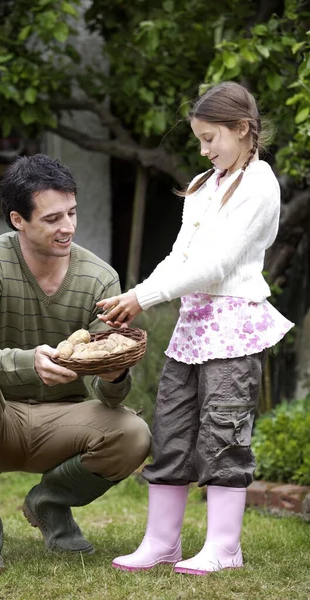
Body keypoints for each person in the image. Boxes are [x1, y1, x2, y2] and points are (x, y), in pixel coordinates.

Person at [97, 81, 294, 575]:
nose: (205, 150)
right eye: (200, 141)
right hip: (192, 329)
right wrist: (136, 294)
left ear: (243, 130)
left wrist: (142, 298)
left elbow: (216, 266)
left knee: (224, 432)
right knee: (173, 428)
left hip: (234, 327)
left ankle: (225, 548)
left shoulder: (259, 184)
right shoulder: (205, 185)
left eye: (211, 138)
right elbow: (181, 256)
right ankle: (161, 542)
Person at [0, 154, 151, 578]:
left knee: (134, 434)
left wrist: (114, 375)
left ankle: (50, 503)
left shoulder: (100, 277)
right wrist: (27, 363)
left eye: (72, 212)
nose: (68, 227)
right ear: (18, 219)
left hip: (65, 421)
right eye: (53, 218)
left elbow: (110, 395)